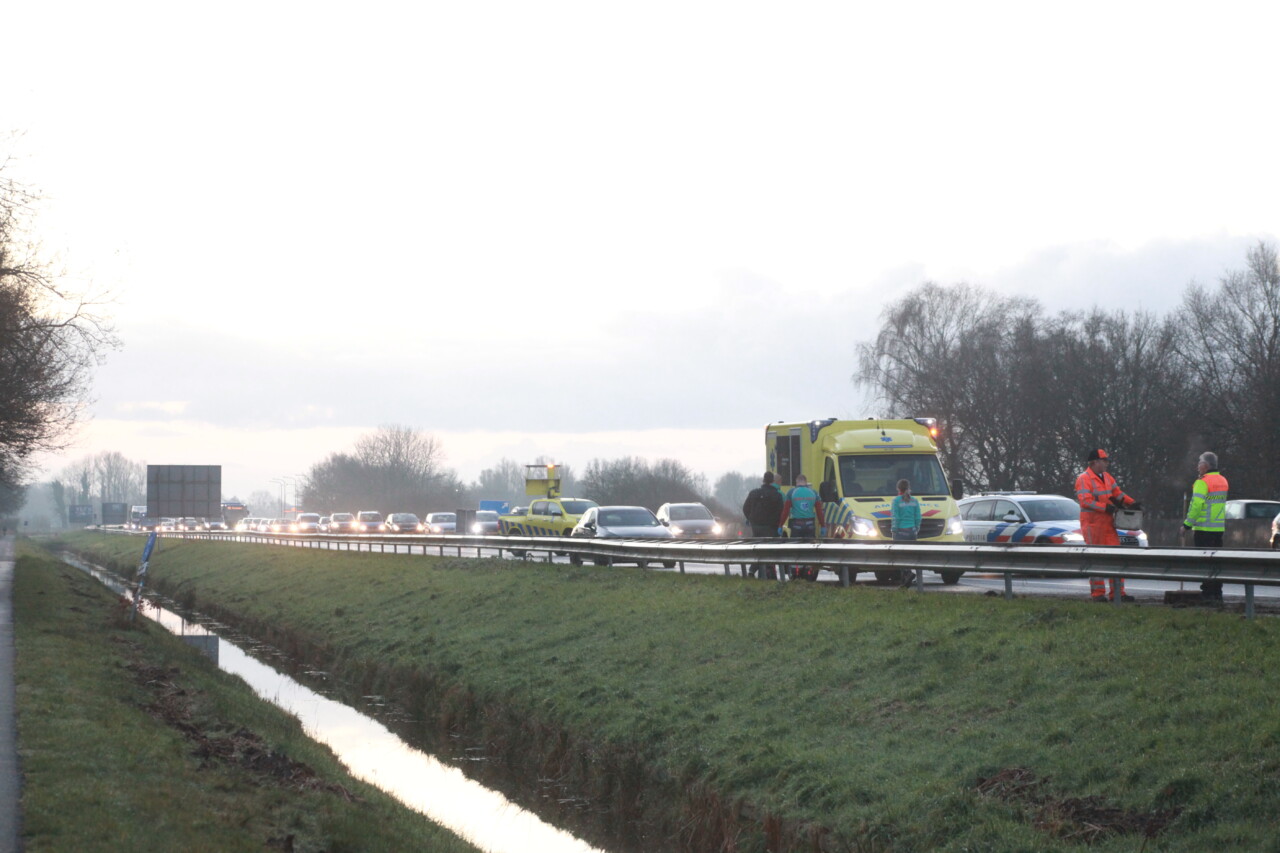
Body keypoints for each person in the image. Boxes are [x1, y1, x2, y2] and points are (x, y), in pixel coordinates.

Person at [1075, 448, 1139, 602]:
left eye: (1106, 460)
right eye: (1104, 460)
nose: (1107, 463)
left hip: (1108, 524)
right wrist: (1106, 508)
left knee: (1116, 558)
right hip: (1092, 525)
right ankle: (1098, 595)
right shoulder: (1084, 478)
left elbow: (1118, 494)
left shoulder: (1107, 477)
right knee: (1096, 560)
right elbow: (1085, 500)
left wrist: (1133, 504)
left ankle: (1118, 593)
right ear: (1094, 462)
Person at [1183, 451, 1229, 602]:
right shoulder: (1223, 480)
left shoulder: (1202, 482)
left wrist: (1187, 525)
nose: (1197, 467)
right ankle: (1217, 594)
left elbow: (1196, 505)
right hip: (1218, 529)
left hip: (1203, 529)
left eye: (1199, 463)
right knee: (1216, 564)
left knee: (1205, 564)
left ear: (1206, 465)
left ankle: (1207, 594)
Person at [779, 474, 825, 580]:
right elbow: (819, 511)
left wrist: (780, 525)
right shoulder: (814, 493)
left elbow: (785, 511)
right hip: (810, 525)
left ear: (796, 482)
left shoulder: (791, 492)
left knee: (796, 550)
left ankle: (796, 573)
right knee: (810, 550)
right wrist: (823, 526)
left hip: (796, 525)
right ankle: (809, 572)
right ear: (806, 482)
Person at [741, 471, 785, 578]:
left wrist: (750, 519)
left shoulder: (754, 493)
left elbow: (745, 508)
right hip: (771, 527)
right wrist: (779, 525)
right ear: (772, 481)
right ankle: (768, 573)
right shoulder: (777, 495)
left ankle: (753, 570)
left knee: (759, 548)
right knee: (769, 550)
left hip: (756, 527)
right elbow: (781, 511)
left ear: (763, 480)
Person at [890, 478, 921, 586]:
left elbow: (896, 517)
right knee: (909, 555)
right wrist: (916, 528)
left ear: (898, 488)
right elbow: (918, 517)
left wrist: (894, 530)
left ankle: (907, 574)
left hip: (901, 532)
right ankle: (906, 579)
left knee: (900, 556)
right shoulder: (914, 501)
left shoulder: (896, 501)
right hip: (912, 532)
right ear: (908, 488)